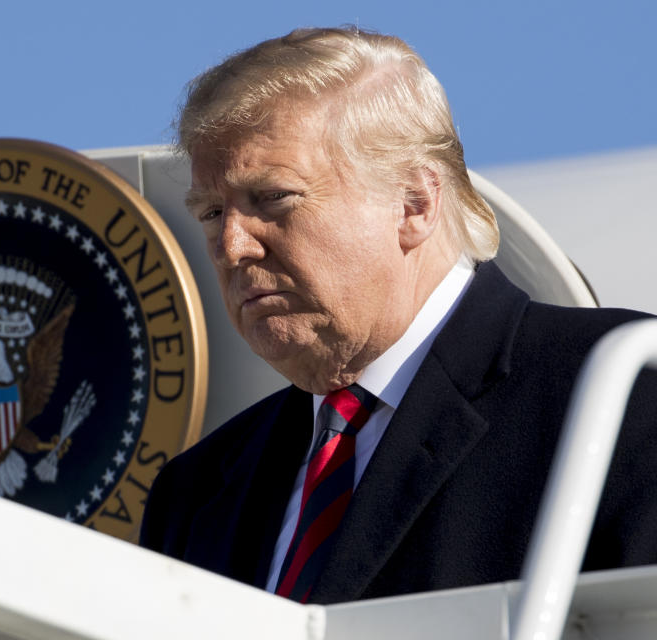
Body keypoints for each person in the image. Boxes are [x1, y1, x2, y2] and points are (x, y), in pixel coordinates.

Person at [139, 26, 657, 604]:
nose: (232, 246)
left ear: (415, 203)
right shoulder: (195, 493)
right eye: (211, 212)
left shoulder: (625, 396)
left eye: (273, 198)